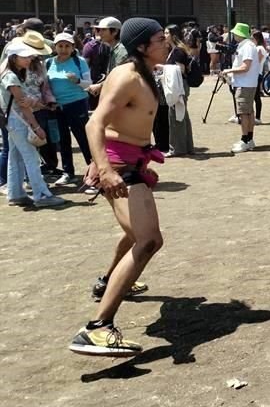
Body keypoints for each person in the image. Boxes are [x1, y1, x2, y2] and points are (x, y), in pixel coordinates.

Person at [70, 18, 169, 357]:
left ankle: (107, 281)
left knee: (133, 233)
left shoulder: (144, 74)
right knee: (149, 240)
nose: (166, 41)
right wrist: (105, 168)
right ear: (142, 46)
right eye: (160, 38)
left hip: (132, 163)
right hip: (120, 167)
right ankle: (97, 327)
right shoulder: (128, 76)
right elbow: (94, 122)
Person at [1, 41, 66, 207]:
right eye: (25, 57)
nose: (29, 59)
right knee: (31, 158)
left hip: (12, 120)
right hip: (19, 120)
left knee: (15, 157)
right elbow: (23, 105)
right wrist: (36, 127)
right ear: (14, 58)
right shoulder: (12, 76)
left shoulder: (7, 73)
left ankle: (16, 193)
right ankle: (42, 195)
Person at [46, 32, 94, 186]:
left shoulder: (79, 62)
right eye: (60, 46)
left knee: (83, 138)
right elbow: (44, 86)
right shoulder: (48, 63)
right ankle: (68, 173)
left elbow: (89, 84)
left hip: (77, 104)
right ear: (55, 47)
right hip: (57, 107)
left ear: (73, 47)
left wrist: (77, 80)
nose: (63, 49)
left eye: (67, 46)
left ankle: (94, 170)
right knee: (63, 140)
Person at [221, 23, 260, 154]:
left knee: (244, 113)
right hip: (245, 83)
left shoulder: (247, 46)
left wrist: (229, 70)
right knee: (248, 112)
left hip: (245, 84)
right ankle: (248, 139)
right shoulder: (246, 45)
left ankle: (245, 139)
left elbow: (245, 67)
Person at [162, 25, 195, 157]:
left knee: (176, 116)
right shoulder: (177, 50)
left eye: (166, 33)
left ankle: (177, 148)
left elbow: (181, 70)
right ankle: (187, 146)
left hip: (178, 86)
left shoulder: (178, 51)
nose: (164, 36)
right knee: (182, 115)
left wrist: (162, 67)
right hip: (180, 85)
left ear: (173, 35)